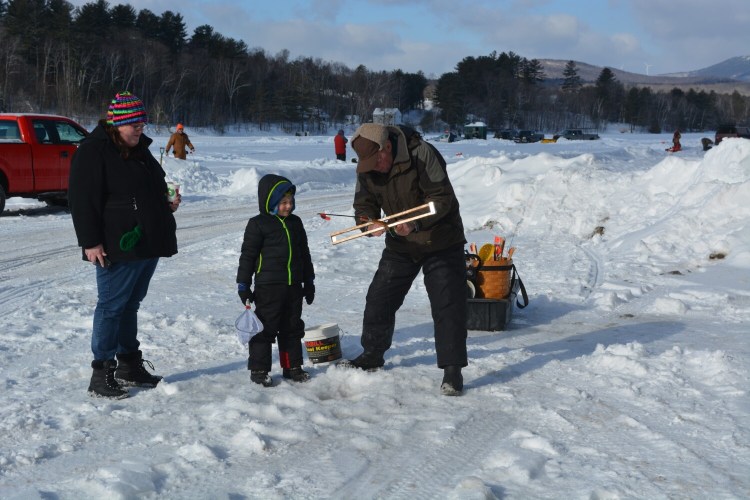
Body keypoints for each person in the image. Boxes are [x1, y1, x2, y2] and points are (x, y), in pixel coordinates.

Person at [340, 123, 468, 396]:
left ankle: (452, 370)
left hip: (441, 241)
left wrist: (416, 224)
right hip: (401, 244)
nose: (375, 167)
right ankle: (372, 355)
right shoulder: (367, 167)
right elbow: (364, 204)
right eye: (369, 164)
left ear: (387, 147)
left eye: (378, 161)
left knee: (447, 304)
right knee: (379, 297)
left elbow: (442, 199)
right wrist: (367, 223)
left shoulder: (422, 153)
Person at [68, 91, 181, 399]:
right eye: (134, 125)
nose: (139, 130)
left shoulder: (139, 150)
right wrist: (90, 241)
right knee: (112, 306)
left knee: (130, 304)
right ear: (118, 123)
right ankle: (101, 372)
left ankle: (129, 364)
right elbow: (81, 200)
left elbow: (149, 189)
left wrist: (166, 203)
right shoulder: (94, 151)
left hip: (146, 242)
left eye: (142, 125)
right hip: (117, 244)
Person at [236, 174, 315, 387]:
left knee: (292, 327)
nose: (288, 207)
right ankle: (259, 369)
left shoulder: (295, 223)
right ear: (271, 202)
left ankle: (292, 367)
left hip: (293, 286)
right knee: (265, 328)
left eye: (291, 202)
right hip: (268, 288)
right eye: (283, 202)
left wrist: (309, 281)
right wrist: (243, 285)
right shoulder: (258, 224)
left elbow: (304, 253)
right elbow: (248, 256)